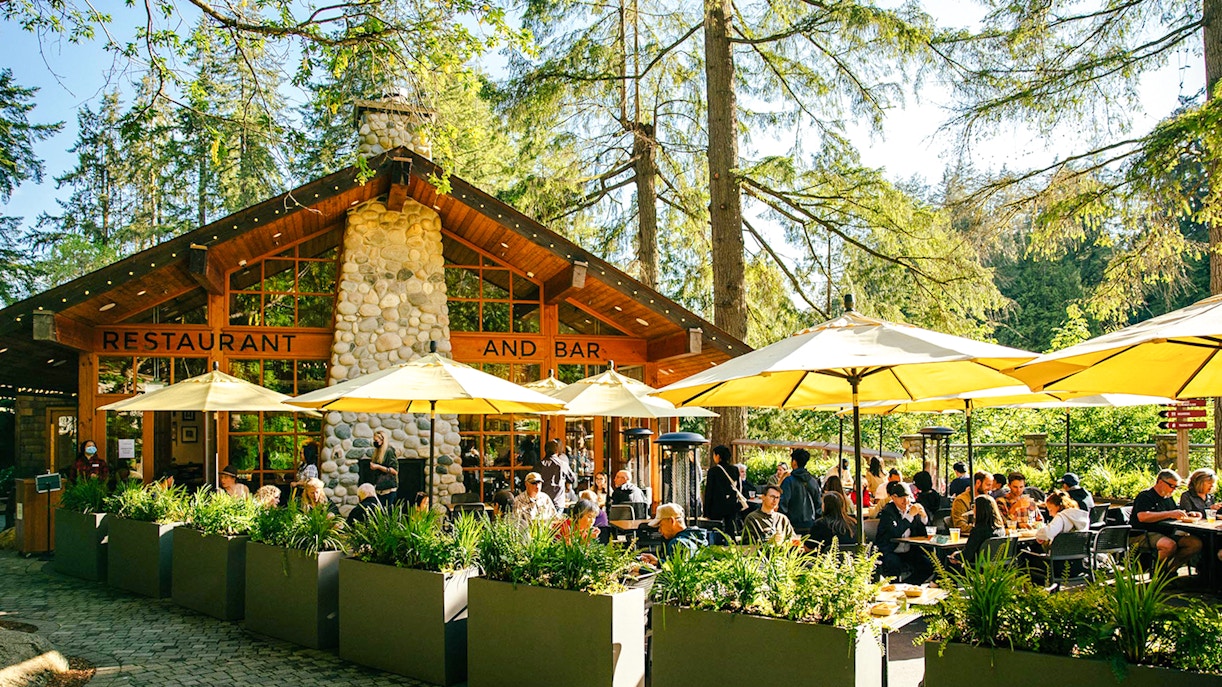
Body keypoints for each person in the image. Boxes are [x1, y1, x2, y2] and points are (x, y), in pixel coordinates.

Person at [1131, 469, 1203, 569]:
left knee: (1195, 543)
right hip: (1144, 533)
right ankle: (1158, 573)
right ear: (1160, 482)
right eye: (1171, 486)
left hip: (1166, 532)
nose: (1174, 489)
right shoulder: (1145, 496)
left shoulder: (1168, 498)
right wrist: (1169, 514)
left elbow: (1174, 512)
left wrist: (1189, 514)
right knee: (1168, 545)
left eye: (1176, 487)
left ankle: (1171, 570)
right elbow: (1143, 517)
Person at [875, 482, 931, 582]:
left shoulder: (913, 508)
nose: (906, 501)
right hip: (890, 550)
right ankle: (896, 588)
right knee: (893, 564)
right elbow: (895, 533)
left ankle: (908, 586)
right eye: (901, 497)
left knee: (927, 565)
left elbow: (924, 533)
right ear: (893, 497)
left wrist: (924, 517)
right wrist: (909, 516)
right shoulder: (888, 512)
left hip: (909, 550)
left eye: (908, 497)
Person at [640, 503, 709, 564]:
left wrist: (641, 569)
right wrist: (658, 562)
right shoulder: (698, 539)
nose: (659, 530)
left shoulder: (677, 543)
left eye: (660, 525)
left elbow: (674, 572)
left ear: (672, 521)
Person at [779, 448, 822, 532]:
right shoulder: (813, 481)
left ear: (794, 462)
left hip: (792, 525)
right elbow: (818, 504)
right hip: (811, 525)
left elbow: (783, 504)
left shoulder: (788, 481)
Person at [958, 495, 1006, 567]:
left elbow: (967, 555)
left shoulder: (978, 531)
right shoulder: (1001, 529)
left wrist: (955, 555)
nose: (973, 510)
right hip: (996, 567)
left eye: (974, 507)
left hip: (977, 567)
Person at [704, 444, 744, 527]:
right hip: (731, 505)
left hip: (716, 506)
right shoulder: (735, 469)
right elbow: (739, 487)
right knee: (730, 527)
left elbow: (709, 492)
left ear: (718, 456)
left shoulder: (713, 471)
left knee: (717, 530)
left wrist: (706, 511)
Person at [538, 439, 576, 510]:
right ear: (557, 451)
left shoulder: (539, 465)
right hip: (558, 502)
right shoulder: (563, 464)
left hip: (543, 502)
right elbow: (572, 479)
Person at [370, 430, 399, 509]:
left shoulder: (389, 451)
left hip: (388, 488)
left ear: (382, 440)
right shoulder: (377, 452)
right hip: (379, 487)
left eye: (376, 441)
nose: (375, 442)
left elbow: (394, 471)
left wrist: (378, 467)